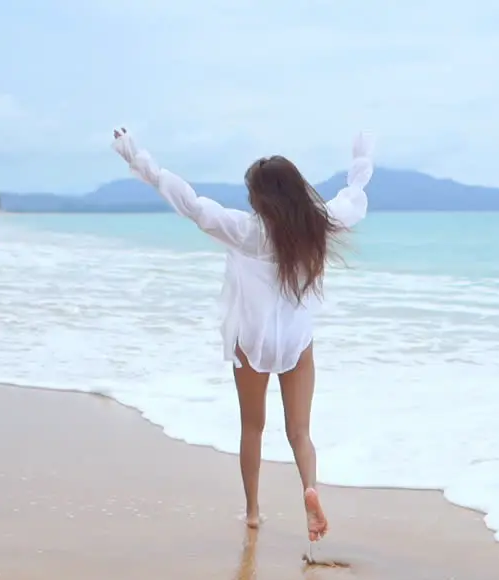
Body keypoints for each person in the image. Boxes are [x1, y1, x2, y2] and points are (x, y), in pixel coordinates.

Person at [111, 127, 374, 542]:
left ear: (261, 199)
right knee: (300, 432)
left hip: (251, 342)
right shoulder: (317, 226)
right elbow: (352, 198)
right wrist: (361, 161)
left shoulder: (245, 231)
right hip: (295, 341)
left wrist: (139, 160)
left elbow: (192, 205)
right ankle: (309, 491)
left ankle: (253, 511)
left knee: (252, 427)